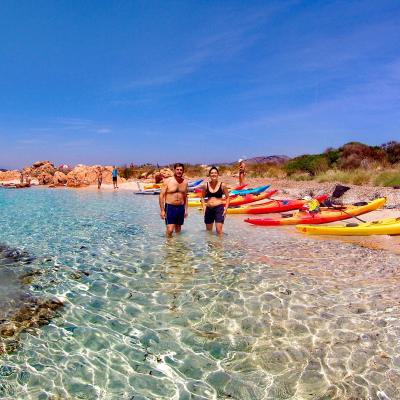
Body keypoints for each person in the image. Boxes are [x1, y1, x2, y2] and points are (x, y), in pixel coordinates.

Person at [159, 163, 188, 237]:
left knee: (178, 230)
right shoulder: (168, 181)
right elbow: (161, 195)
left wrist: (186, 209)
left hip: (181, 208)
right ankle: (168, 245)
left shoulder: (185, 182)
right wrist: (162, 210)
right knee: (170, 230)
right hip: (170, 207)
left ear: (183, 171)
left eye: (181, 170)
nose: (179, 171)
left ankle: (177, 246)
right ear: (174, 170)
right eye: (177, 169)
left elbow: (185, 196)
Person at [200, 166, 230, 236]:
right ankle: (210, 246)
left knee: (219, 230)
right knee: (208, 232)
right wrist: (204, 208)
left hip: (219, 209)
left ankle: (219, 246)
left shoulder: (223, 185)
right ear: (209, 175)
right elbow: (202, 197)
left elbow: (228, 197)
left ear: (218, 174)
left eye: (215, 173)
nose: (213, 174)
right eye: (212, 173)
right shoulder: (206, 185)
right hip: (208, 210)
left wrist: (225, 209)